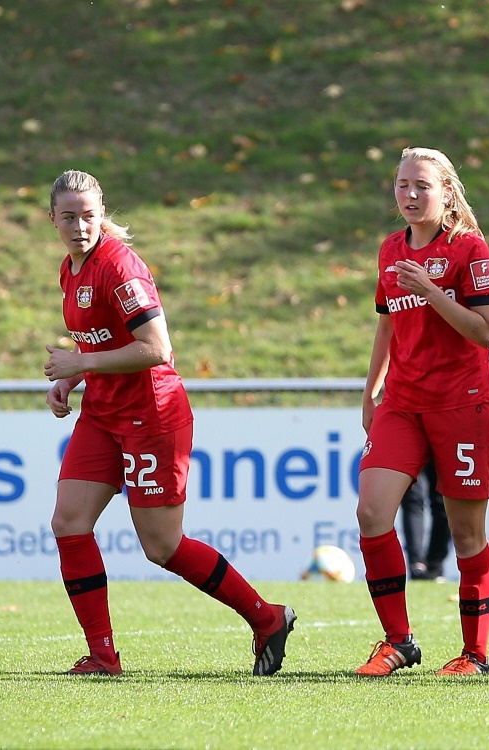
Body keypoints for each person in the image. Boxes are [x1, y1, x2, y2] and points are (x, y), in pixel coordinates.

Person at [43, 170, 295, 676]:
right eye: (68, 217)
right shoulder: (70, 270)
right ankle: (103, 656)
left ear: (102, 214)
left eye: (88, 215)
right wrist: (71, 377)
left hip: (150, 414)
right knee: (69, 523)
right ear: (52, 219)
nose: (79, 226)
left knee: (162, 546)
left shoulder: (119, 265)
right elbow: (99, 341)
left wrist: (83, 366)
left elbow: (158, 349)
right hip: (103, 413)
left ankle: (267, 618)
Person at [355, 147, 489, 677]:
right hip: (403, 402)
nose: (411, 196)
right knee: (372, 513)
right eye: (402, 186)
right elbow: (387, 323)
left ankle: (475, 654)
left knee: (466, 534)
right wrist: (370, 391)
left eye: (422, 186)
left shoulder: (469, 250)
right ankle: (398, 641)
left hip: (462, 404)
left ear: (447, 193)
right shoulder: (390, 249)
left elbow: (485, 331)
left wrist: (432, 290)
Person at [400, 462, 451, 581]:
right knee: (413, 500)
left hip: (443, 445)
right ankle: (417, 565)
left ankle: (435, 565)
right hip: (411, 444)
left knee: (444, 501)